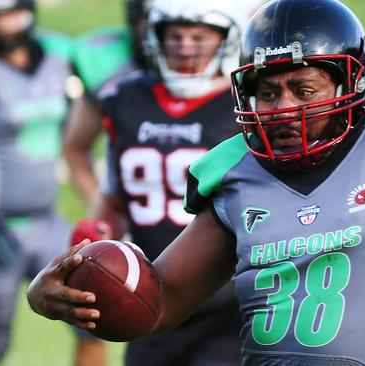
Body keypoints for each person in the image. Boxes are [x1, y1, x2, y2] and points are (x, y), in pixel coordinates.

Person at [27, 0, 365, 365]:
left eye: (304, 89)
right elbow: (159, 304)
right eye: (268, 93)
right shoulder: (234, 172)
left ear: (351, 82)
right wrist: (58, 297)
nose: (283, 108)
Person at [68, 0, 245, 365]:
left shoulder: (243, 102)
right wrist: (96, 231)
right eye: (175, 36)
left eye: (199, 36)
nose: (185, 46)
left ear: (225, 40)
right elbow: (115, 195)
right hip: (149, 292)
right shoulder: (124, 97)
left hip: (227, 300)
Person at [0, 0, 76, 364]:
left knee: (97, 310)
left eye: (9, 13)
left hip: (47, 219)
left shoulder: (60, 55)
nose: (4, 24)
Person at [64, 0, 151, 205]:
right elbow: (76, 148)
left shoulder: (226, 76)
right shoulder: (112, 70)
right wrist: (104, 213)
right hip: (140, 224)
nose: (184, 47)